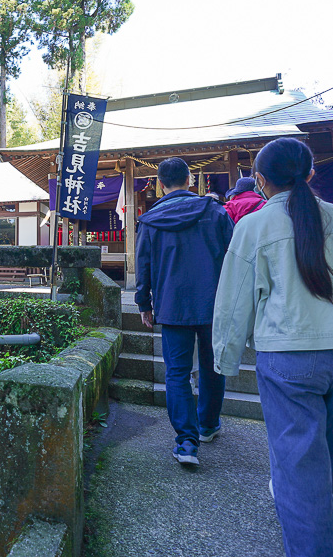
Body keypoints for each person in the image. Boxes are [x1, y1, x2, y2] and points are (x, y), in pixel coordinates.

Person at [212, 137, 333, 557]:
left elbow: (233, 299)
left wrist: (224, 359)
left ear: (260, 181)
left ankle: (314, 540)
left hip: (289, 357)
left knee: (300, 476)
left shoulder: (254, 227)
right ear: (311, 174)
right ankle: (317, 533)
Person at [135, 157, 233, 466]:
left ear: (160, 184)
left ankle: (186, 443)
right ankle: (208, 425)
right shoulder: (216, 212)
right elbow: (233, 259)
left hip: (172, 305)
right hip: (213, 304)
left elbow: (144, 266)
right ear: (190, 180)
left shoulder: (150, 220)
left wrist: (144, 304)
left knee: (176, 373)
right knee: (211, 366)